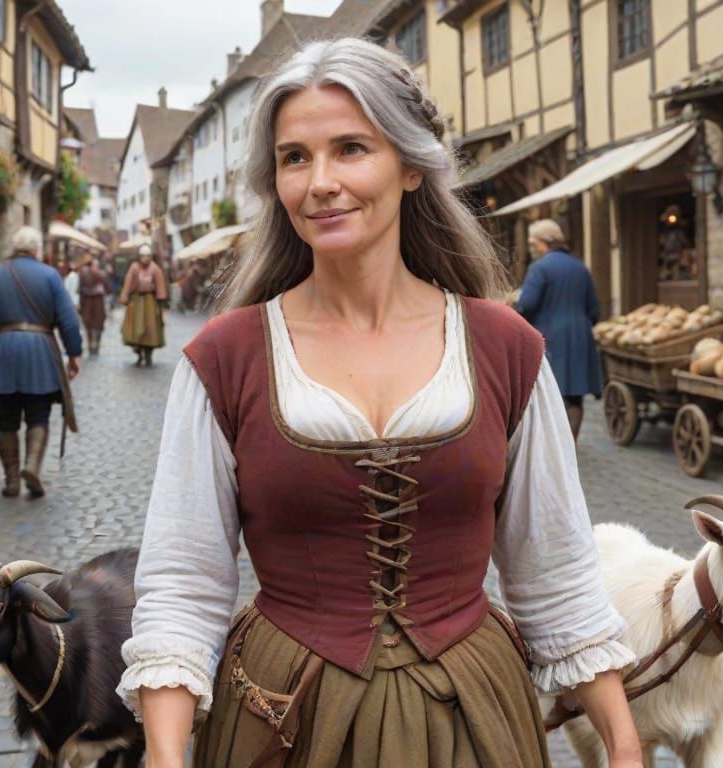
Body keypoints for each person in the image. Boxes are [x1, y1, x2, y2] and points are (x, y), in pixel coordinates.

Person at [118, 38, 642, 768]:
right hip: (285, 716)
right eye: (294, 158)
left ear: (411, 166)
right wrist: (167, 755)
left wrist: (622, 744)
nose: (320, 181)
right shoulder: (226, 357)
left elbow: (554, 568)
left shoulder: (504, 348)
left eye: (351, 149)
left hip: (472, 717)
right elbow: (184, 579)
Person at [0, 226, 82, 499]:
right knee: (38, 415)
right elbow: (68, 318)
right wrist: (74, 354)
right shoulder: (50, 276)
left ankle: (12, 481)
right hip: (39, 353)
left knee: (6, 421)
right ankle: (31, 467)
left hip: (1, 352)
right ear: (36, 249)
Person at [514, 219, 604, 441]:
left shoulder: (539, 268)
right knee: (575, 397)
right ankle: (570, 443)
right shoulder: (580, 267)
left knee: (548, 395)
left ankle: (552, 445)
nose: (532, 248)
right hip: (580, 336)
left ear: (544, 242)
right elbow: (594, 308)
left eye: (533, 243)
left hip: (550, 337)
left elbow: (528, 304)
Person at [117, 244, 168, 366]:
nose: (145, 258)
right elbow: (128, 283)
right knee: (135, 329)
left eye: (148, 256)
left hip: (151, 303)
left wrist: (161, 301)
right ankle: (139, 354)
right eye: (143, 256)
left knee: (151, 330)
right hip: (136, 302)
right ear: (139, 256)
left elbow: (160, 286)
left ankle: (149, 355)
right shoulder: (134, 268)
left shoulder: (155, 269)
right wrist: (125, 297)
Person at [77, 256, 109, 355]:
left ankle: (92, 345)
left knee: (90, 324)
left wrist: (81, 305)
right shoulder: (101, 274)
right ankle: (95, 345)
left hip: (88, 301)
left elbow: (80, 289)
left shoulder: (83, 273)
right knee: (96, 324)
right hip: (95, 301)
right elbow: (108, 288)